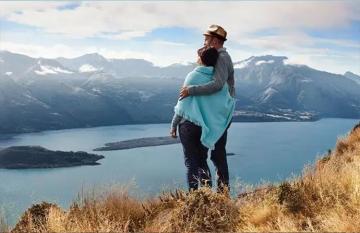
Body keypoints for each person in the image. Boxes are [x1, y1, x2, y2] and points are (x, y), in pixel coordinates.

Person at [177, 25, 235, 193]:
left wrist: (191, 90)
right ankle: (213, 195)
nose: (204, 42)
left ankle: (221, 195)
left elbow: (217, 85)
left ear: (215, 41)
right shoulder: (219, 56)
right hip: (216, 114)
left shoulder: (222, 58)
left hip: (219, 115)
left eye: (206, 40)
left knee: (217, 155)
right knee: (212, 155)